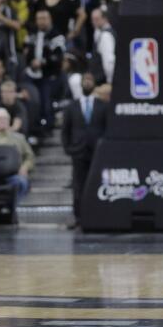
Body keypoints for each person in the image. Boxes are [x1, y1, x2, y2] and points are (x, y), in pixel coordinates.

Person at [61, 71, 106, 222]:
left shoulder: (103, 106)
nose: (87, 82)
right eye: (85, 80)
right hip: (78, 151)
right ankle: (78, 216)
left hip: (97, 152)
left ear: (94, 83)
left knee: (96, 184)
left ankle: (96, 215)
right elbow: (65, 130)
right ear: (80, 84)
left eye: (90, 79)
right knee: (78, 185)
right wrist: (68, 148)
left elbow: (107, 128)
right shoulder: (72, 107)